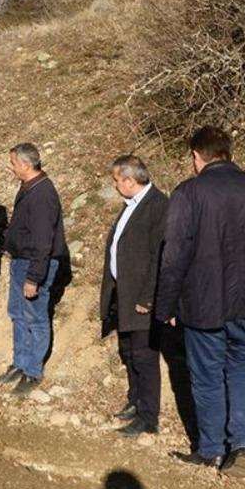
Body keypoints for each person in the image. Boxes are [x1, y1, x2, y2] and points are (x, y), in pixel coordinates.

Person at [155, 125, 245, 476]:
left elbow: (174, 254)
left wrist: (166, 304)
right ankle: (244, 444)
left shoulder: (189, 192)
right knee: (243, 366)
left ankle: (212, 449)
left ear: (196, 157)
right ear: (228, 152)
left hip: (204, 303)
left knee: (206, 375)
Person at [100, 155, 169, 437]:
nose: (115, 185)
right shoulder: (131, 205)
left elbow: (159, 256)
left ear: (129, 180)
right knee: (129, 351)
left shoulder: (158, 206)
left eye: (117, 180)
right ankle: (135, 400)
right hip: (123, 293)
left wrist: (148, 296)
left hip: (141, 297)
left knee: (144, 356)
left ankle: (148, 417)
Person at [0, 142, 68, 396]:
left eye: (14, 163)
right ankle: (20, 362)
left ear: (26, 165)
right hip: (20, 262)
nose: (11, 167)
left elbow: (43, 240)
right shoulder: (29, 187)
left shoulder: (42, 194)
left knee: (35, 318)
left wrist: (34, 277)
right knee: (17, 313)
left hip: (33, 265)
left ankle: (32, 371)